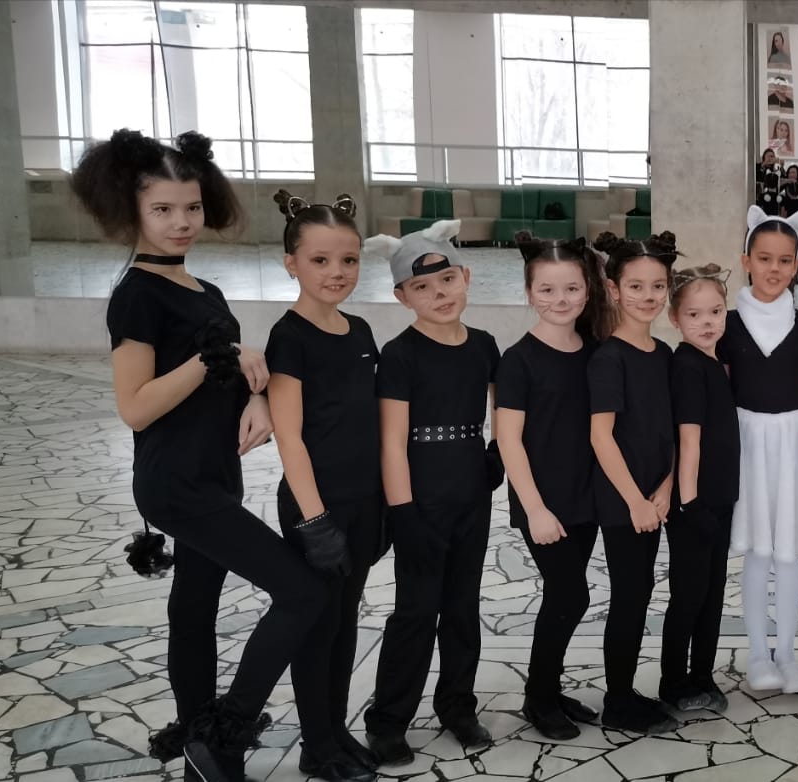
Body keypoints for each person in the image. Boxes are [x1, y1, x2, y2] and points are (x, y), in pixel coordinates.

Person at [76, 129, 324, 782]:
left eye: (191, 207)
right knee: (303, 592)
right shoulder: (137, 294)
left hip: (216, 474)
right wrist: (209, 358)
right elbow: (135, 407)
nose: (181, 221)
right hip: (177, 485)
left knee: (193, 613)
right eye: (162, 209)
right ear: (131, 210)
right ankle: (226, 732)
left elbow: (226, 374)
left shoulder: (205, 290)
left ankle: (198, 751)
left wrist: (255, 395)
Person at [363, 221, 501, 760]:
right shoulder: (401, 354)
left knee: (463, 607)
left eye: (446, 280)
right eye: (422, 287)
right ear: (402, 297)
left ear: (466, 277)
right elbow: (391, 442)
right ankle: (389, 719)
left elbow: (503, 408)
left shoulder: (484, 345)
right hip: (420, 501)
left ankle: (457, 705)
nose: (439, 294)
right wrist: (403, 513)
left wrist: (495, 456)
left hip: (471, 496)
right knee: (416, 612)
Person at [265, 191, 380, 782]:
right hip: (318, 508)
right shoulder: (290, 337)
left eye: (349, 260)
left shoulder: (360, 329)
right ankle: (316, 745)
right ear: (291, 263)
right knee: (318, 627)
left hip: (364, 501)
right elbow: (290, 437)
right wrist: (315, 522)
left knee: (345, 623)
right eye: (320, 260)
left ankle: (335, 730)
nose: (337, 272)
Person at [495, 233, 609, 741]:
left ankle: (550, 688)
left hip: (585, 496)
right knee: (569, 594)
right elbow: (508, 440)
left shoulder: (596, 352)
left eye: (571, 289)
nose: (560, 300)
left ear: (587, 290)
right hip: (543, 501)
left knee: (568, 595)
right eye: (547, 290)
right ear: (529, 293)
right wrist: (535, 509)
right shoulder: (518, 360)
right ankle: (538, 699)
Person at [720, 207, 798, 695]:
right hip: (746, 441)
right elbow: (721, 393)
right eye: (764, 258)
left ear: (797, 265)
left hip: (793, 440)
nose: (774, 268)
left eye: (785, 260)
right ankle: (758, 655)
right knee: (758, 550)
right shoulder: (726, 324)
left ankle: (787, 653)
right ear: (746, 261)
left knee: (788, 550)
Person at [589, 230, 681, 734]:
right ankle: (617, 699)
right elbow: (601, 436)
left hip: (655, 495)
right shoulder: (609, 358)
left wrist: (664, 489)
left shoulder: (663, 354)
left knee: (641, 590)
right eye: (636, 286)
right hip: (623, 499)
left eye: (658, 286)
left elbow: (671, 431)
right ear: (613, 289)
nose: (648, 296)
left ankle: (626, 690)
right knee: (628, 595)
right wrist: (635, 501)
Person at [659, 265, 739, 713]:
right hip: (696, 504)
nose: (707, 322)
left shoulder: (713, 362)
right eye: (694, 314)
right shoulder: (688, 367)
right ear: (675, 318)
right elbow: (688, 441)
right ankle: (674, 682)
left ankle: (703, 675)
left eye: (715, 311)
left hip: (720, 499)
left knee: (712, 594)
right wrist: (689, 505)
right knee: (689, 596)